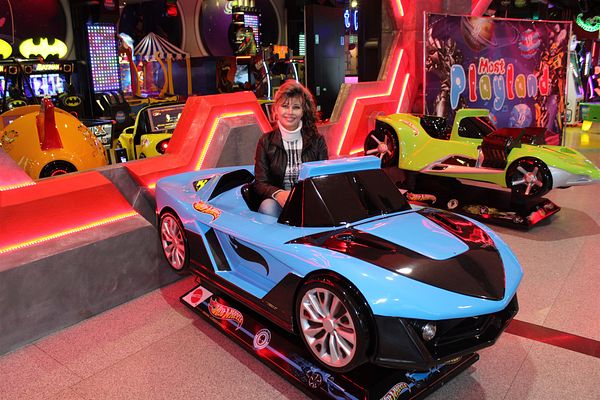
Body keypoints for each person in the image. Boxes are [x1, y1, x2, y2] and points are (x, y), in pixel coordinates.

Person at [253, 80, 328, 217]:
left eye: (296, 107)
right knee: (268, 207)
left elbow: (325, 178)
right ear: (276, 109)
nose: (290, 112)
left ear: (303, 111)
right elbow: (260, 183)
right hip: (279, 201)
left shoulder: (317, 141)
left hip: (310, 201)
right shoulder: (265, 141)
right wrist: (278, 194)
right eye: (285, 106)